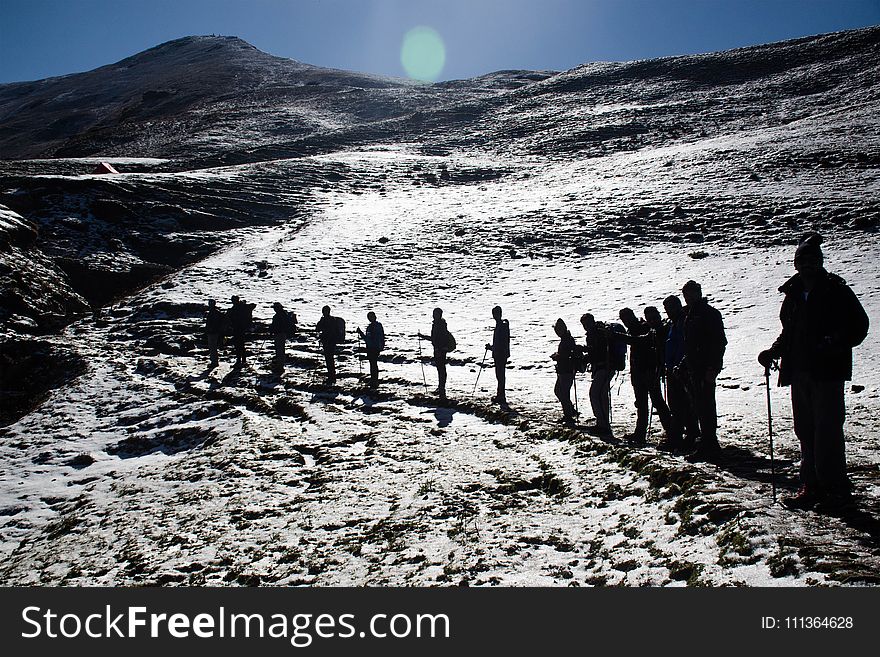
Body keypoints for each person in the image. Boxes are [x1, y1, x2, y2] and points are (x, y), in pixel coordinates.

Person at [758, 233, 869, 511]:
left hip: (827, 371)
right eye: (803, 260)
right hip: (800, 371)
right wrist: (774, 351)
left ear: (820, 262)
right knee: (805, 430)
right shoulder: (794, 294)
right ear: (796, 264)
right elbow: (790, 332)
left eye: (813, 260)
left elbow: (859, 325)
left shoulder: (835, 290)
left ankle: (835, 489)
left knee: (827, 430)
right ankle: (812, 485)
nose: (807, 264)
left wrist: (835, 342)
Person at [679, 280, 727, 461]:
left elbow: (719, 342)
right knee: (700, 406)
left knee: (706, 406)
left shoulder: (709, 314)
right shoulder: (690, 314)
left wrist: (713, 367)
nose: (689, 297)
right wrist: (684, 364)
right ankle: (707, 443)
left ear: (699, 293)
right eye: (686, 294)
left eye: (692, 293)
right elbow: (690, 345)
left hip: (705, 367)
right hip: (694, 367)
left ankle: (710, 445)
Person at [618, 307, 673, 445]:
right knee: (643, 403)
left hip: (648, 371)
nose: (626, 321)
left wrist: (617, 336)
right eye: (624, 319)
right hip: (639, 372)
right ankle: (641, 433)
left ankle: (671, 433)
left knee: (657, 402)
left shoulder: (644, 328)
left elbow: (637, 341)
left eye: (627, 318)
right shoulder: (640, 328)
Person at [662, 295, 700, 452]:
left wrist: (681, 365)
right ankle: (681, 436)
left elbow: (685, 345)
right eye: (666, 309)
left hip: (683, 369)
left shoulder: (684, 321)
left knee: (683, 404)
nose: (668, 312)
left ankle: (686, 437)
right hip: (674, 369)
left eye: (670, 308)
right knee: (677, 405)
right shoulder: (674, 323)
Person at [580, 313, 613, 435]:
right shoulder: (596, 333)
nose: (586, 326)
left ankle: (603, 425)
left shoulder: (598, 334)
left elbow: (597, 351)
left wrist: (585, 351)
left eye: (587, 324)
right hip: (602, 367)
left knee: (595, 394)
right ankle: (603, 424)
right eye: (584, 325)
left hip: (604, 367)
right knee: (600, 395)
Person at [419, 308, 452, 400]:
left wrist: (438, 348)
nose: (434, 315)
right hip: (438, 349)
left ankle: (442, 389)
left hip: (440, 350)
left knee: (441, 369)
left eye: (435, 314)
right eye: (434, 313)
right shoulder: (438, 324)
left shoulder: (440, 325)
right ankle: (441, 388)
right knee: (440, 369)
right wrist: (423, 336)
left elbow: (440, 338)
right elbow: (434, 338)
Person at [551, 318, 578, 423]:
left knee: (562, 392)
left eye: (558, 330)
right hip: (564, 370)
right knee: (559, 391)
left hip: (566, 370)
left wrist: (558, 357)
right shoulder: (566, 338)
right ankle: (570, 411)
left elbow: (567, 355)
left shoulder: (567, 339)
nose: (557, 332)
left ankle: (568, 415)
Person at [485, 306, 511, 409]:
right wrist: (492, 348)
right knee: (500, 375)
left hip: (500, 354)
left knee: (500, 375)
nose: (494, 316)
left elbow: (501, 342)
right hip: (500, 354)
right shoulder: (502, 325)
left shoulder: (502, 326)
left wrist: (493, 348)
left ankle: (501, 396)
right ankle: (500, 395)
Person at [357, 311, 385, 388]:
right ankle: (374, 380)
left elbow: (368, 339)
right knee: (373, 364)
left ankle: (374, 381)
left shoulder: (372, 327)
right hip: (375, 347)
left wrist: (361, 333)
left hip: (372, 348)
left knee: (373, 364)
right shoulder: (378, 326)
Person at [226, 295, 255, 368]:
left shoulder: (238, 307)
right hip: (238, 328)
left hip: (239, 328)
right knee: (239, 345)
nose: (233, 302)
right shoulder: (239, 307)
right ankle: (242, 360)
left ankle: (241, 360)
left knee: (239, 345)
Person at [316, 305, 342, 385]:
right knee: (330, 359)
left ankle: (331, 377)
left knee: (329, 359)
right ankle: (332, 376)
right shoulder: (332, 320)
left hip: (328, 342)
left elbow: (317, 329)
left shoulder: (326, 320)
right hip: (331, 342)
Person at [205, 299, 223, 369]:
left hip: (213, 332)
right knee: (212, 347)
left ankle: (214, 362)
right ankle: (214, 361)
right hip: (214, 332)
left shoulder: (213, 313)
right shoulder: (215, 312)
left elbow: (212, 323)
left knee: (212, 347)